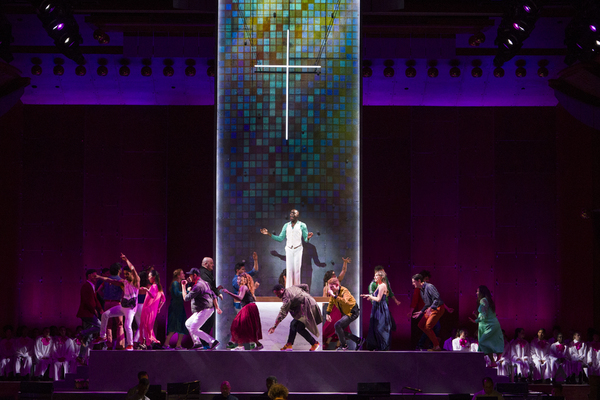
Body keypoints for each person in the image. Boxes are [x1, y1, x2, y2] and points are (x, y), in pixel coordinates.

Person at [92, 253, 140, 351]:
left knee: (127, 325)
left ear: (131, 274)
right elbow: (109, 279)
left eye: (127, 274)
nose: (125, 275)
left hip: (130, 309)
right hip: (122, 307)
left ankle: (130, 344)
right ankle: (103, 336)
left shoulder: (136, 282)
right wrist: (99, 277)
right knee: (105, 315)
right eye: (125, 273)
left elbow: (133, 269)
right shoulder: (124, 282)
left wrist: (126, 259)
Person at [261, 209, 314, 287]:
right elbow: (280, 238)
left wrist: (308, 237)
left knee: (297, 271)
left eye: (293, 214)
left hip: (298, 249)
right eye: (290, 214)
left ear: (297, 215)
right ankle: (289, 290)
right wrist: (268, 233)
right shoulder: (286, 225)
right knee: (289, 270)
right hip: (289, 249)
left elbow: (306, 240)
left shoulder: (302, 225)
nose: (291, 215)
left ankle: (296, 289)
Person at [269, 283, 322, 351]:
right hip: (311, 305)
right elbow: (305, 286)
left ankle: (314, 343)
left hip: (308, 309)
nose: (277, 295)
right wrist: (306, 296)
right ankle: (289, 344)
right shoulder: (292, 287)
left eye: (278, 293)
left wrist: (274, 326)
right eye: (275, 294)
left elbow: (283, 312)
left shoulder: (286, 297)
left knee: (297, 326)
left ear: (282, 290)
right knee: (295, 325)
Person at [182, 267, 221, 350]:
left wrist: (183, 286)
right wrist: (217, 307)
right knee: (188, 323)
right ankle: (197, 343)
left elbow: (186, 298)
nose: (189, 277)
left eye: (191, 275)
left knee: (193, 328)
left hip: (205, 309)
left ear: (195, 275)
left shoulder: (198, 286)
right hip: (204, 309)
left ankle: (212, 341)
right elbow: (213, 295)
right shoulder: (205, 283)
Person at [222, 273, 263, 351]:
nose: (237, 281)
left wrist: (228, 292)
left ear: (243, 280)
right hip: (251, 307)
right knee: (248, 327)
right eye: (237, 279)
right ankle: (258, 345)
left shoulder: (243, 287)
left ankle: (240, 346)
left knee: (237, 325)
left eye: (239, 279)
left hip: (248, 308)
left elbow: (240, 298)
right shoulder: (247, 287)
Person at [468, 285, 504, 366]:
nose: (476, 293)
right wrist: (477, 316)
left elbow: (484, 315)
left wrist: (475, 321)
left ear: (481, 292)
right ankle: (492, 362)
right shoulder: (487, 300)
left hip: (489, 325)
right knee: (486, 342)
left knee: (482, 342)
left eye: (477, 291)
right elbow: (484, 315)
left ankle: (497, 353)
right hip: (486, 325)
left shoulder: (483, 300)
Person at [326, 278, 363, 351]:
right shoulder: (334, 293)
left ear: (337, 285)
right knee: (338, 331)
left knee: (337, 325)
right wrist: (328, 313)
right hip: (346, 313)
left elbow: (345, 301)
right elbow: (331, 303)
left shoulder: (344, 291)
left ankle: (344, 346)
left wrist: (334, 296)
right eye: (329, 287)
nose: (330, 289)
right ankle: (358, 340)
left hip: (353, 312)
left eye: (331, 287)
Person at [411, 274, 445, 351]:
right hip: (431, 308)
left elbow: (437, 298)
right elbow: (427, 304)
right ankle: (435, 340)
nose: (413, 284)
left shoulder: (429, 287)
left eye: (414, 282)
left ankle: (437, 346)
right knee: (421, 324)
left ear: (419, 281)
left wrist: (431, 308)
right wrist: (421, 311)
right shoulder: (421, 290)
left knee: (428, 326)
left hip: (438, 308)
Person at [76, 269, 103, 361]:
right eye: (94, 275)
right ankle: (81, 333)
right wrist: (94, 309)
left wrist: (100, 309)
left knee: (88, 337)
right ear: (89, 276)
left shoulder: (92, 286)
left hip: (90, 312)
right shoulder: (86, 286)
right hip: (87, 313)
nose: (96, 277)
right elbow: (87, 301)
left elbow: (95, 299)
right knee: (100, 326)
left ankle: (81, 356)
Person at [361, 270, 392, 351]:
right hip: (376, 308)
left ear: (381, 277)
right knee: (374, 327)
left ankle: (383, 347)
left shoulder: (382, 286)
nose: (374, 277)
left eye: (376, 276)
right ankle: (375, 346)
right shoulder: (379, 285)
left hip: (380, 308)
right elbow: (374, 296)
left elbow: (378, 299)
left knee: (380, 328)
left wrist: (370, 296)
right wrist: (368, 295)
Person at [97, 262, 124, 350]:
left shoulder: (106, 280)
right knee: (119, 324)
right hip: (117, 303)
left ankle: (109, 345)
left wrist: (105, 296)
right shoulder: (121, 280)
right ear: (119, 270)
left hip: (107, 303)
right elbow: (124, 293)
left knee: (108, 325)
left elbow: (99, 290)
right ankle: (120, 345)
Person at [138, 270, 165, 349]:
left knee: (146, 326)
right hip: (153, 310)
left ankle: (148, 342)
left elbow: (152, 296)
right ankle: (149, 342)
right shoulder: (159, 286)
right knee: (149, 326)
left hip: (148, 309)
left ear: (153, 277)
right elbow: (164, 299)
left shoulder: (153, 286)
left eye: (149, 276)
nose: (148, 278)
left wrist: (146, 290)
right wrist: (159, 308)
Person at [199, 257, 222, 348]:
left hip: (207, 302)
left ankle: (205, 344)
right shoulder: (203, 273)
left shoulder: (207, 273)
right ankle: (204, 344)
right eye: (211, 263)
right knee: (205, 324)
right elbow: (208, 287)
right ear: (205, 264)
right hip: (205, 304)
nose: (213, 265)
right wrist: (217, 292)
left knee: (208, 324)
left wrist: (216, 290)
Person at [164, 269, 188, 349]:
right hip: (175, 307)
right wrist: (187, 291)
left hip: (180, 306)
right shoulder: (175, 283)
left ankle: (178, 345)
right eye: (182, 273)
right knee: (174, 325)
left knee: (181, 325)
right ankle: (166, 343)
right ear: (178, 275)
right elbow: (177, 294)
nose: (184, 274)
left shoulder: (179, 283)